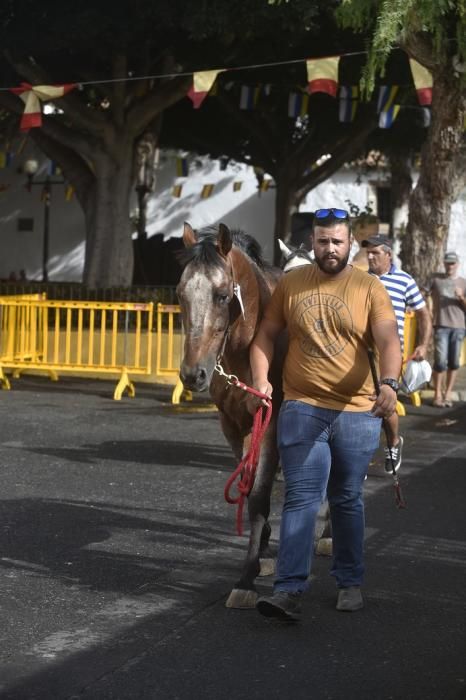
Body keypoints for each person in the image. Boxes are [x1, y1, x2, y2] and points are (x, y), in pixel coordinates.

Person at [249, 207, 401, 622]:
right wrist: (262, 379)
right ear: (312, 242)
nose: (329, 248)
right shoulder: (292, 283)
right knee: (300, 497)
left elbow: (388, 339)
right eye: (322, 240)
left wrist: (389, 383)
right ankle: (287, 590)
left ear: (349, 243)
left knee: (346, 498)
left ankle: (349, 580)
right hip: (301, 407)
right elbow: (265, 333)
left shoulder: (369, 287)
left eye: (336, 241)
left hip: (356, 411)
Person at [361, 233, 432, 472]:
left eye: (375, 252)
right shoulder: (359, 279)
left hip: (390, 352)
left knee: (386, 401)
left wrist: (422, 345)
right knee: (362, 403)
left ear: (389, 254)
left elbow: (423, 314)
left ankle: (393, 442)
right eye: (368, 252)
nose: (370, 256)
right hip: (360, 352)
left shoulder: (404, 280)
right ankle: (358, 461)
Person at [423, 251, 466, 407]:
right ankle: (437, 395)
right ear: (444, 263)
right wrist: (425, 310)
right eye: (448, 263)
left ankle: (447, 394)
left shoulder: (463, 282)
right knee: (440, 362)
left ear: (457, 264)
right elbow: (422, 293)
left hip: (459, 327)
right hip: (440, 325)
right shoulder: (435, 278)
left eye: (453, 263)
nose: (450, 266)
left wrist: (461, 297)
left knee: (454, 362)